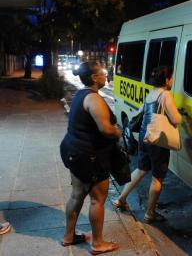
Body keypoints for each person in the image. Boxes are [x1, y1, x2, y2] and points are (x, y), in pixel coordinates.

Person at [60, 61, 122, 255]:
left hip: (74, 150)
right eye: (103, 74)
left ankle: (68, 236)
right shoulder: (94, 99)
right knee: (98, 199)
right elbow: (105, 128)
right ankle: (98, 243)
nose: (106, 76)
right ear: (94, 78)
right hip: (90, 157)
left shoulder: (81, 94)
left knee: (77, 194)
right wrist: (118, 133)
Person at [113, 65, 181, 223]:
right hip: (157, 139)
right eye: (171, 77)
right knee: (157, 178)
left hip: (145, 136)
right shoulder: (165, 95)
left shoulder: (150, 94)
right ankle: (150, 213)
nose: (172, 80)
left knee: (141, 169)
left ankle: (121, 199)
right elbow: (176, 119)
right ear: (166, 79)